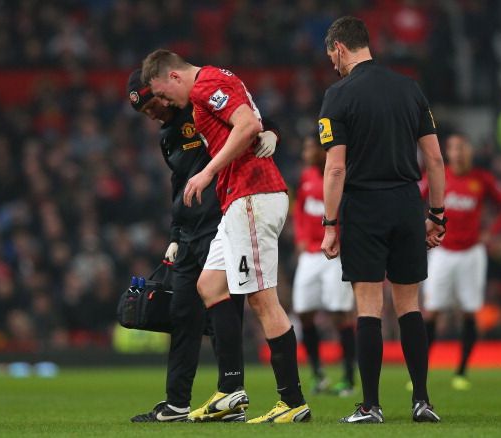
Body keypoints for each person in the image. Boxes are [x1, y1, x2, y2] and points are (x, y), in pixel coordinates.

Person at [141, 50, 310, 423]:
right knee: (210, 285)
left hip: (251, 195)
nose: (166, 103)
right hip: (237, 200)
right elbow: (254, 121)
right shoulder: (217, 79)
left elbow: (247, 124)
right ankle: (230, 390)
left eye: (164, 95)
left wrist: (206, 173)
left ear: (173, 76)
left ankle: (293, 400)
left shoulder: (205, 87)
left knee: (263, 301)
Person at [318, 16, 445, 424]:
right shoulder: (409, 88)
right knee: (410, 307)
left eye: (331, 56)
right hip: (408, 202)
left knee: (369, 307)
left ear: (339, 47)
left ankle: (370, 406)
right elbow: (436, 159)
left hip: (364, 206)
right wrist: (437, 215)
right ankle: (422, 401)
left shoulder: (337, 95)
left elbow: (335, 169)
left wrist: (330, 224)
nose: (332, 65)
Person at [420, 133, 501, 390]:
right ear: (448, 153)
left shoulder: (482, 180)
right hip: (442, 251)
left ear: (470, 152)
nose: (459, 152)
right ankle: (421, 372)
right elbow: (413, 197)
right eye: (454, 148)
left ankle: (461, 371)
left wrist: (491, 231)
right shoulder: (437, 176)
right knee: (432, 311)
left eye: (463, 147)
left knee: (468, 310)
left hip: (472, 253)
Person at [292, 135, 356, 396]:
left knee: (339, 313)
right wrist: (299, 238)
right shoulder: (306, 176)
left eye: (310, 148)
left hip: (335, 254)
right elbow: (298, 209)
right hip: (309, 254)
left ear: (323, 151)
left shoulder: (341, 176)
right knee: (303, 311)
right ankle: (318, 373)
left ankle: (349, 379)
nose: (306, 153)